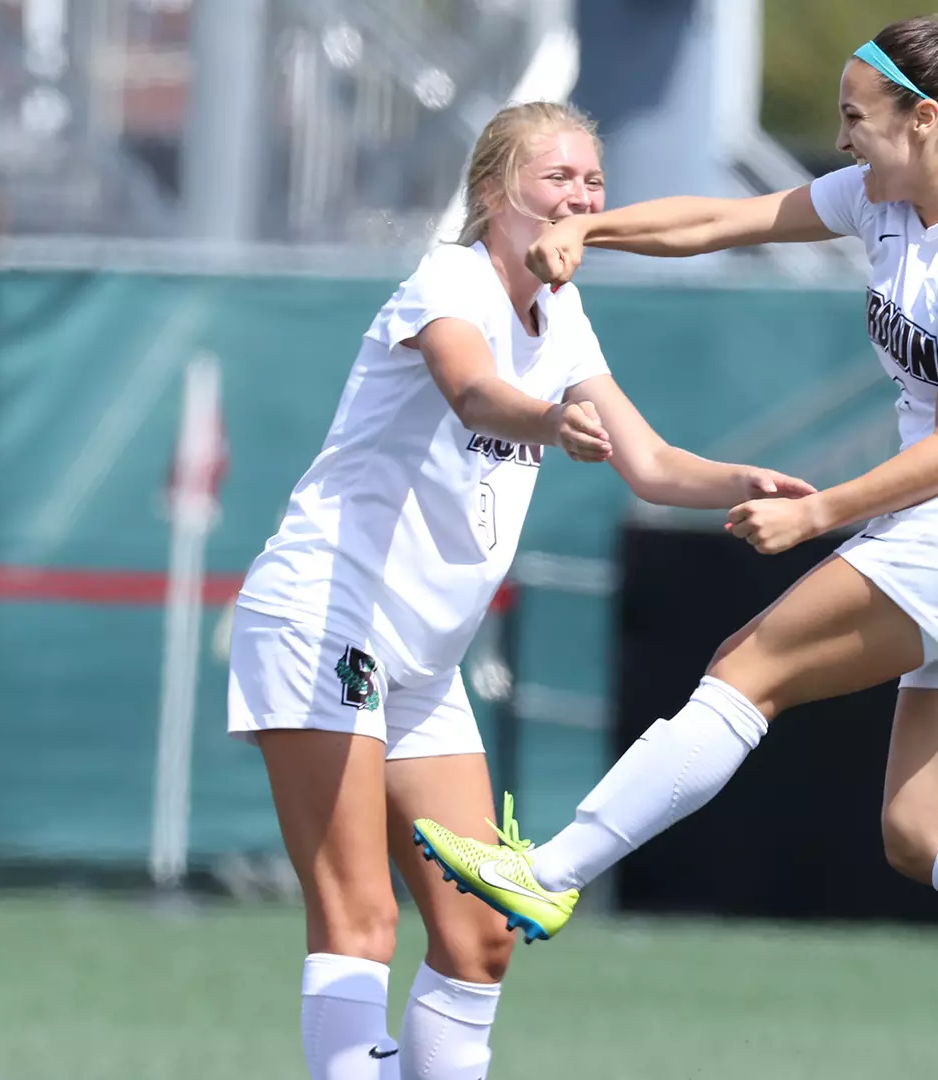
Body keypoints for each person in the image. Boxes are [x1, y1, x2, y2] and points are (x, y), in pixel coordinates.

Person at [410, 16, 938, 1080]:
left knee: (748, 669)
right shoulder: (890, 195)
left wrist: (817, 512)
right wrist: (590, 237)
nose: (841, 141)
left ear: (925, 123)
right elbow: (723, 217)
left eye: (855, 120)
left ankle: (551, 873)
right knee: (924, 831)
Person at [227, 101, 813, 1080]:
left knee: (481, 936)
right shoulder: (450, 277)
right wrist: (548, 419)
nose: (579, 197)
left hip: (420, 663)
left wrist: (743, 482)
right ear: (497, 194)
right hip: (326, 618)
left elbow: (654, 463)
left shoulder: (565, 316)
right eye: (557, 179)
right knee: (360, 917)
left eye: (592, 181)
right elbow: (472, 391)